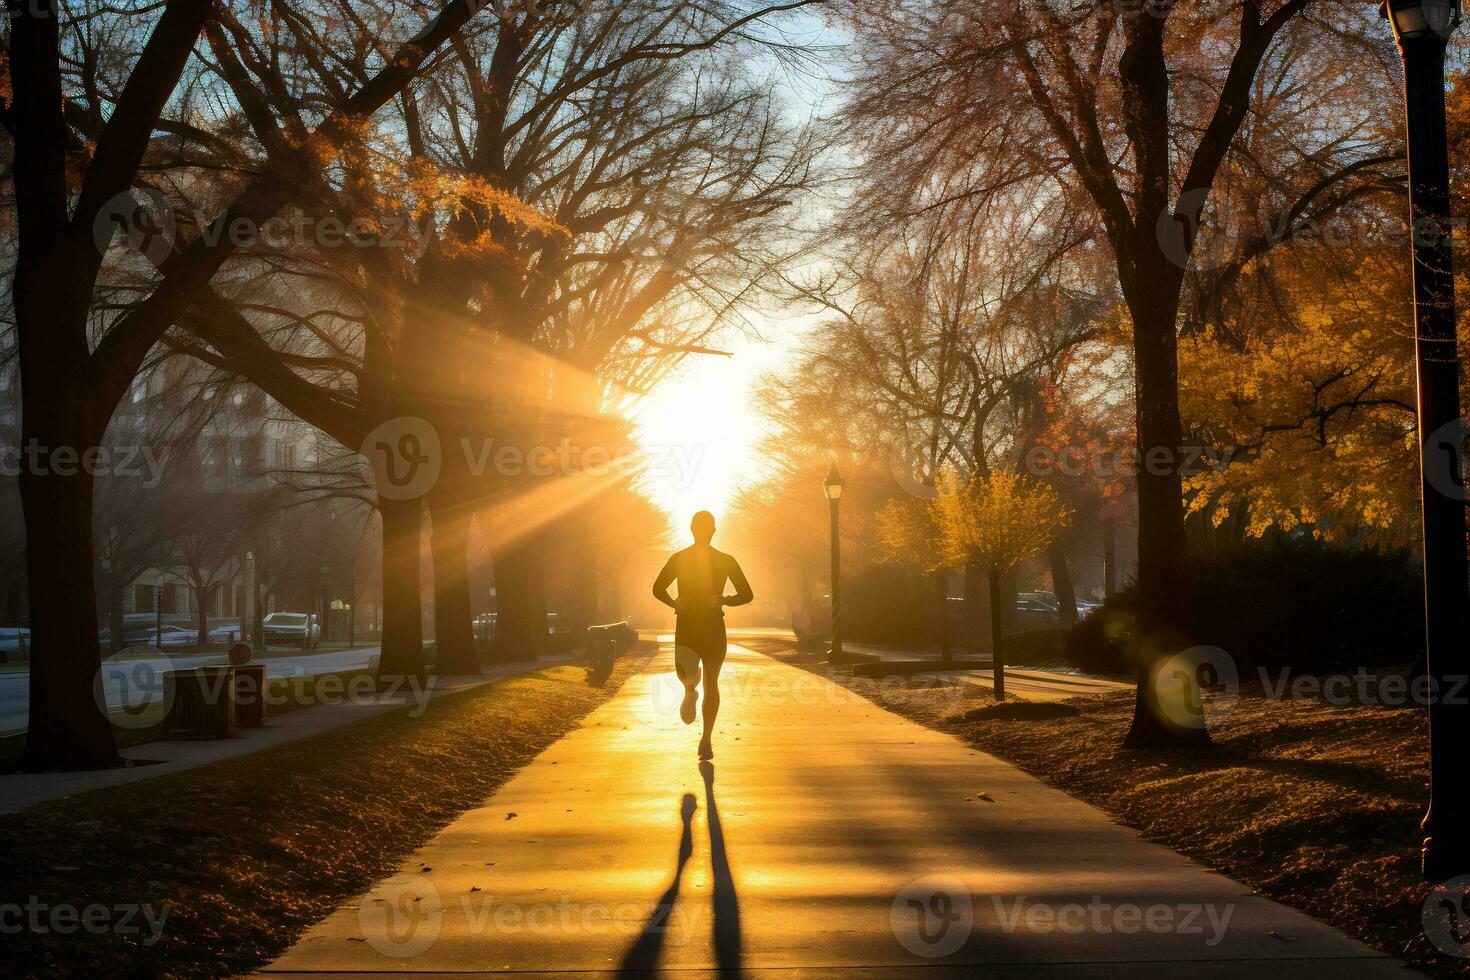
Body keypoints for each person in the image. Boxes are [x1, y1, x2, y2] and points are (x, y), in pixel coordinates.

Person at [652, 511, 753, 760]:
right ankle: (689, 691)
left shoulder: (724, 560)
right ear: (706, 530)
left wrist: (722, 599)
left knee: (711, 681)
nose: (704, 532)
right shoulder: (680, 559)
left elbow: (747, 594)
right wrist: (675, 602)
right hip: (690, 626)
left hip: (709, 627)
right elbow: (657, 588)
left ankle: (706, 740)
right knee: (686, 674)